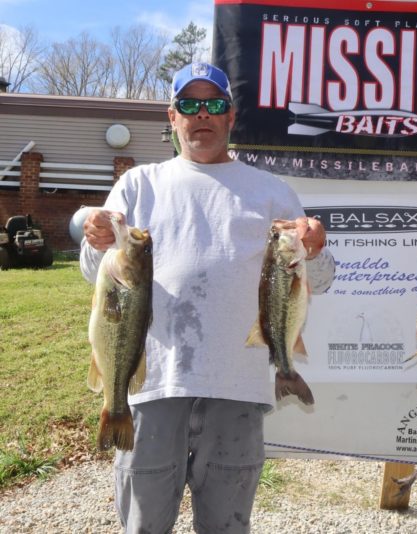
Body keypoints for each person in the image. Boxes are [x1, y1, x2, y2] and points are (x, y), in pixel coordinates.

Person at [80, 62, 335, 533]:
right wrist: (95, 239)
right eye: (189, 104)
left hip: (237, 387)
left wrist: (316, 249)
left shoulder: (272, 191)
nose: (202, 114)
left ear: (230, 116)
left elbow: (317, 279)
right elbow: (93, 271)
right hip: (155, 385)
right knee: (144, 525)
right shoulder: (138, 184)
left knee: (226, 525)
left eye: (214, 104)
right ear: (172, 116)